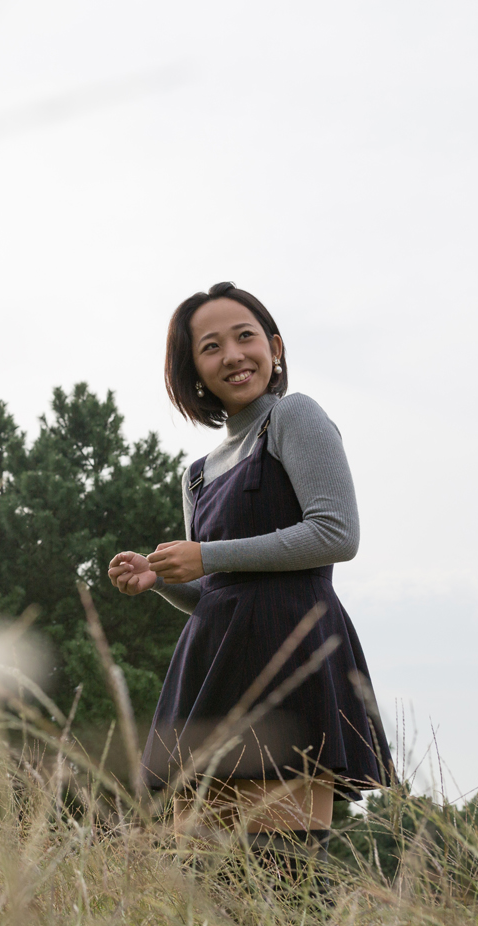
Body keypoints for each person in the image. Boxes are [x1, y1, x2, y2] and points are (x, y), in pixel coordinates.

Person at [108, 281, 393, 870]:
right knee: (202, 877)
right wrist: (162, 579)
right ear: (194, 370)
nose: (234, 355)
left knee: (281, 875)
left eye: (245, 337)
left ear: (275, 346)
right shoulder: (197, 473)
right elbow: (216, 594)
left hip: (290, 654)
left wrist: (208, 555)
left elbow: (337, 534)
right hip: (214, 664)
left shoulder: (295, 417)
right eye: (212, 346)